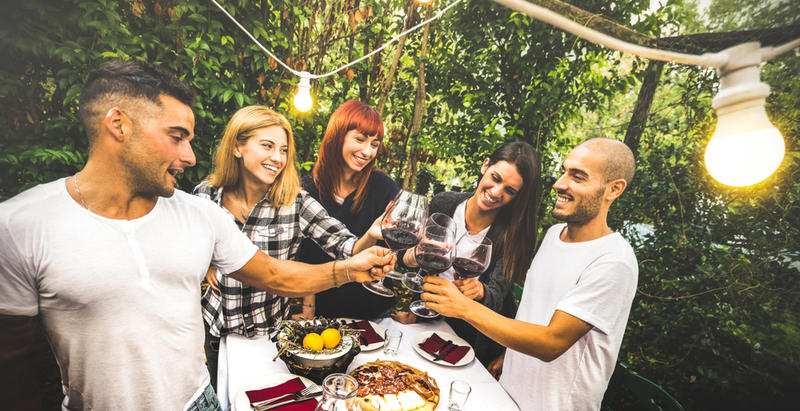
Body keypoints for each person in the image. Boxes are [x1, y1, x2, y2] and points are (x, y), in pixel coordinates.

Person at [0, 60, 393, 411]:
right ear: (118, 125)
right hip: (191, 354)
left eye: (283, 150)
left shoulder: (199, 213)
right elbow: (11, 362)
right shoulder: (20, 226)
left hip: (208, 389)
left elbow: (275, 274)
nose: (189, 156)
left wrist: (353, 264)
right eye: (176, 137)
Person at [422, 138, 638, 411]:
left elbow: (552, 342)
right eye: (564, 171)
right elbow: (532, 313)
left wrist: (464, 307)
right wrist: (507, 354)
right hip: (504, 392)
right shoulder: (553, 235)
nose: (560, 183)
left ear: (614, 189)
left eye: (578, 177)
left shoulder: (613, 260)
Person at [194, 105, 381, 386]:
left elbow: (345, 245)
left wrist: (373, 236)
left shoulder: (296, 202)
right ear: (237, 147)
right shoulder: (205, 196)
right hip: (216, 336)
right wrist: (205, 260)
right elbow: (183, 252)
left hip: (271, 341)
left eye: (283, 150)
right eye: (267, 146)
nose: (277, 158)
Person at [395, 141, 541, 366]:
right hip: (425, 321)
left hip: (470, 341)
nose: (496, 192)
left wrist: (481, 290)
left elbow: (499, 295)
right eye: (496, 178)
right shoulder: (444, 203)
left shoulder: (513, 235)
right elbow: (411, 261)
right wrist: (414, 307)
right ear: (485, 166)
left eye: (509, 191)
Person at [296, 100, 399, 319]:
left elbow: (394, 248)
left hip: (373, 310)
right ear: (337, 136)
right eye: (360, 140)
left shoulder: (384, 188)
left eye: (374, 144)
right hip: (324, 310)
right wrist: (308, 307)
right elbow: (304, 257)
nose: (367, 151)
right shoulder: (307, 190)